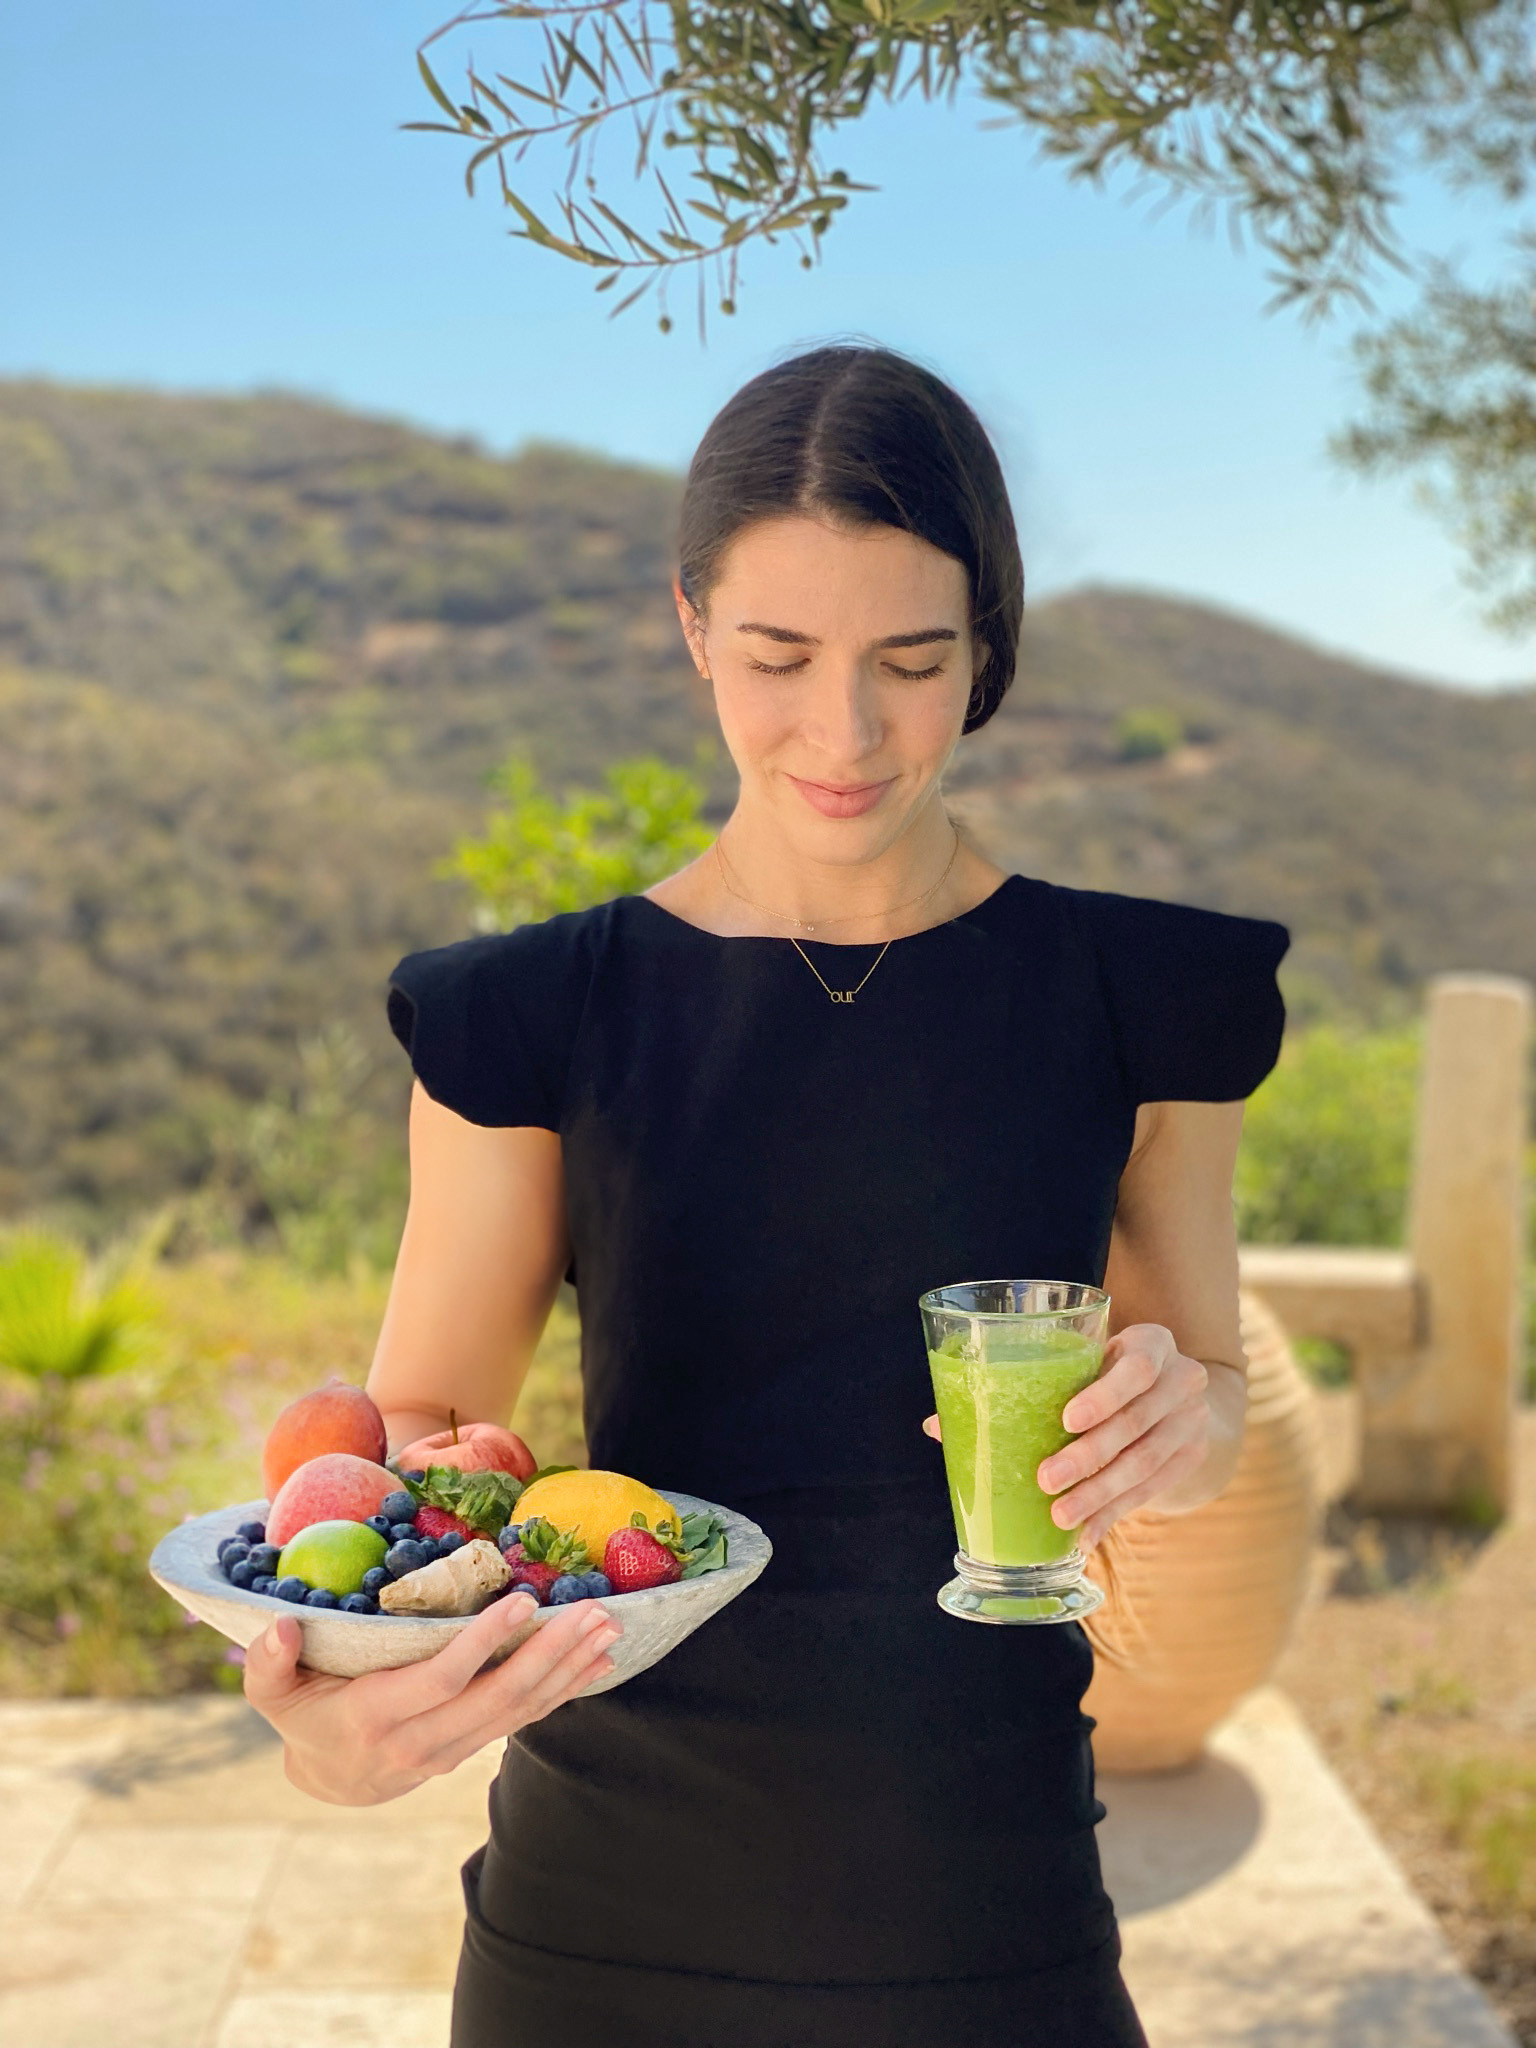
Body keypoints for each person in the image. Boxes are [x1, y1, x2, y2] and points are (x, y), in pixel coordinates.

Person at [244, 341, 1290, 2047]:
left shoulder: (1139, 998)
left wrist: (1187, 1420)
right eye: (777, 656)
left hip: (996, 1914)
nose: (846, 730)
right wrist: (326, 1722)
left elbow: (1217, 1399)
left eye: (913, 659)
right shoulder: (531, 1017)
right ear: (690, 629)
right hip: (600, 1930)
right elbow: (424, 1441)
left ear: (990, 647)